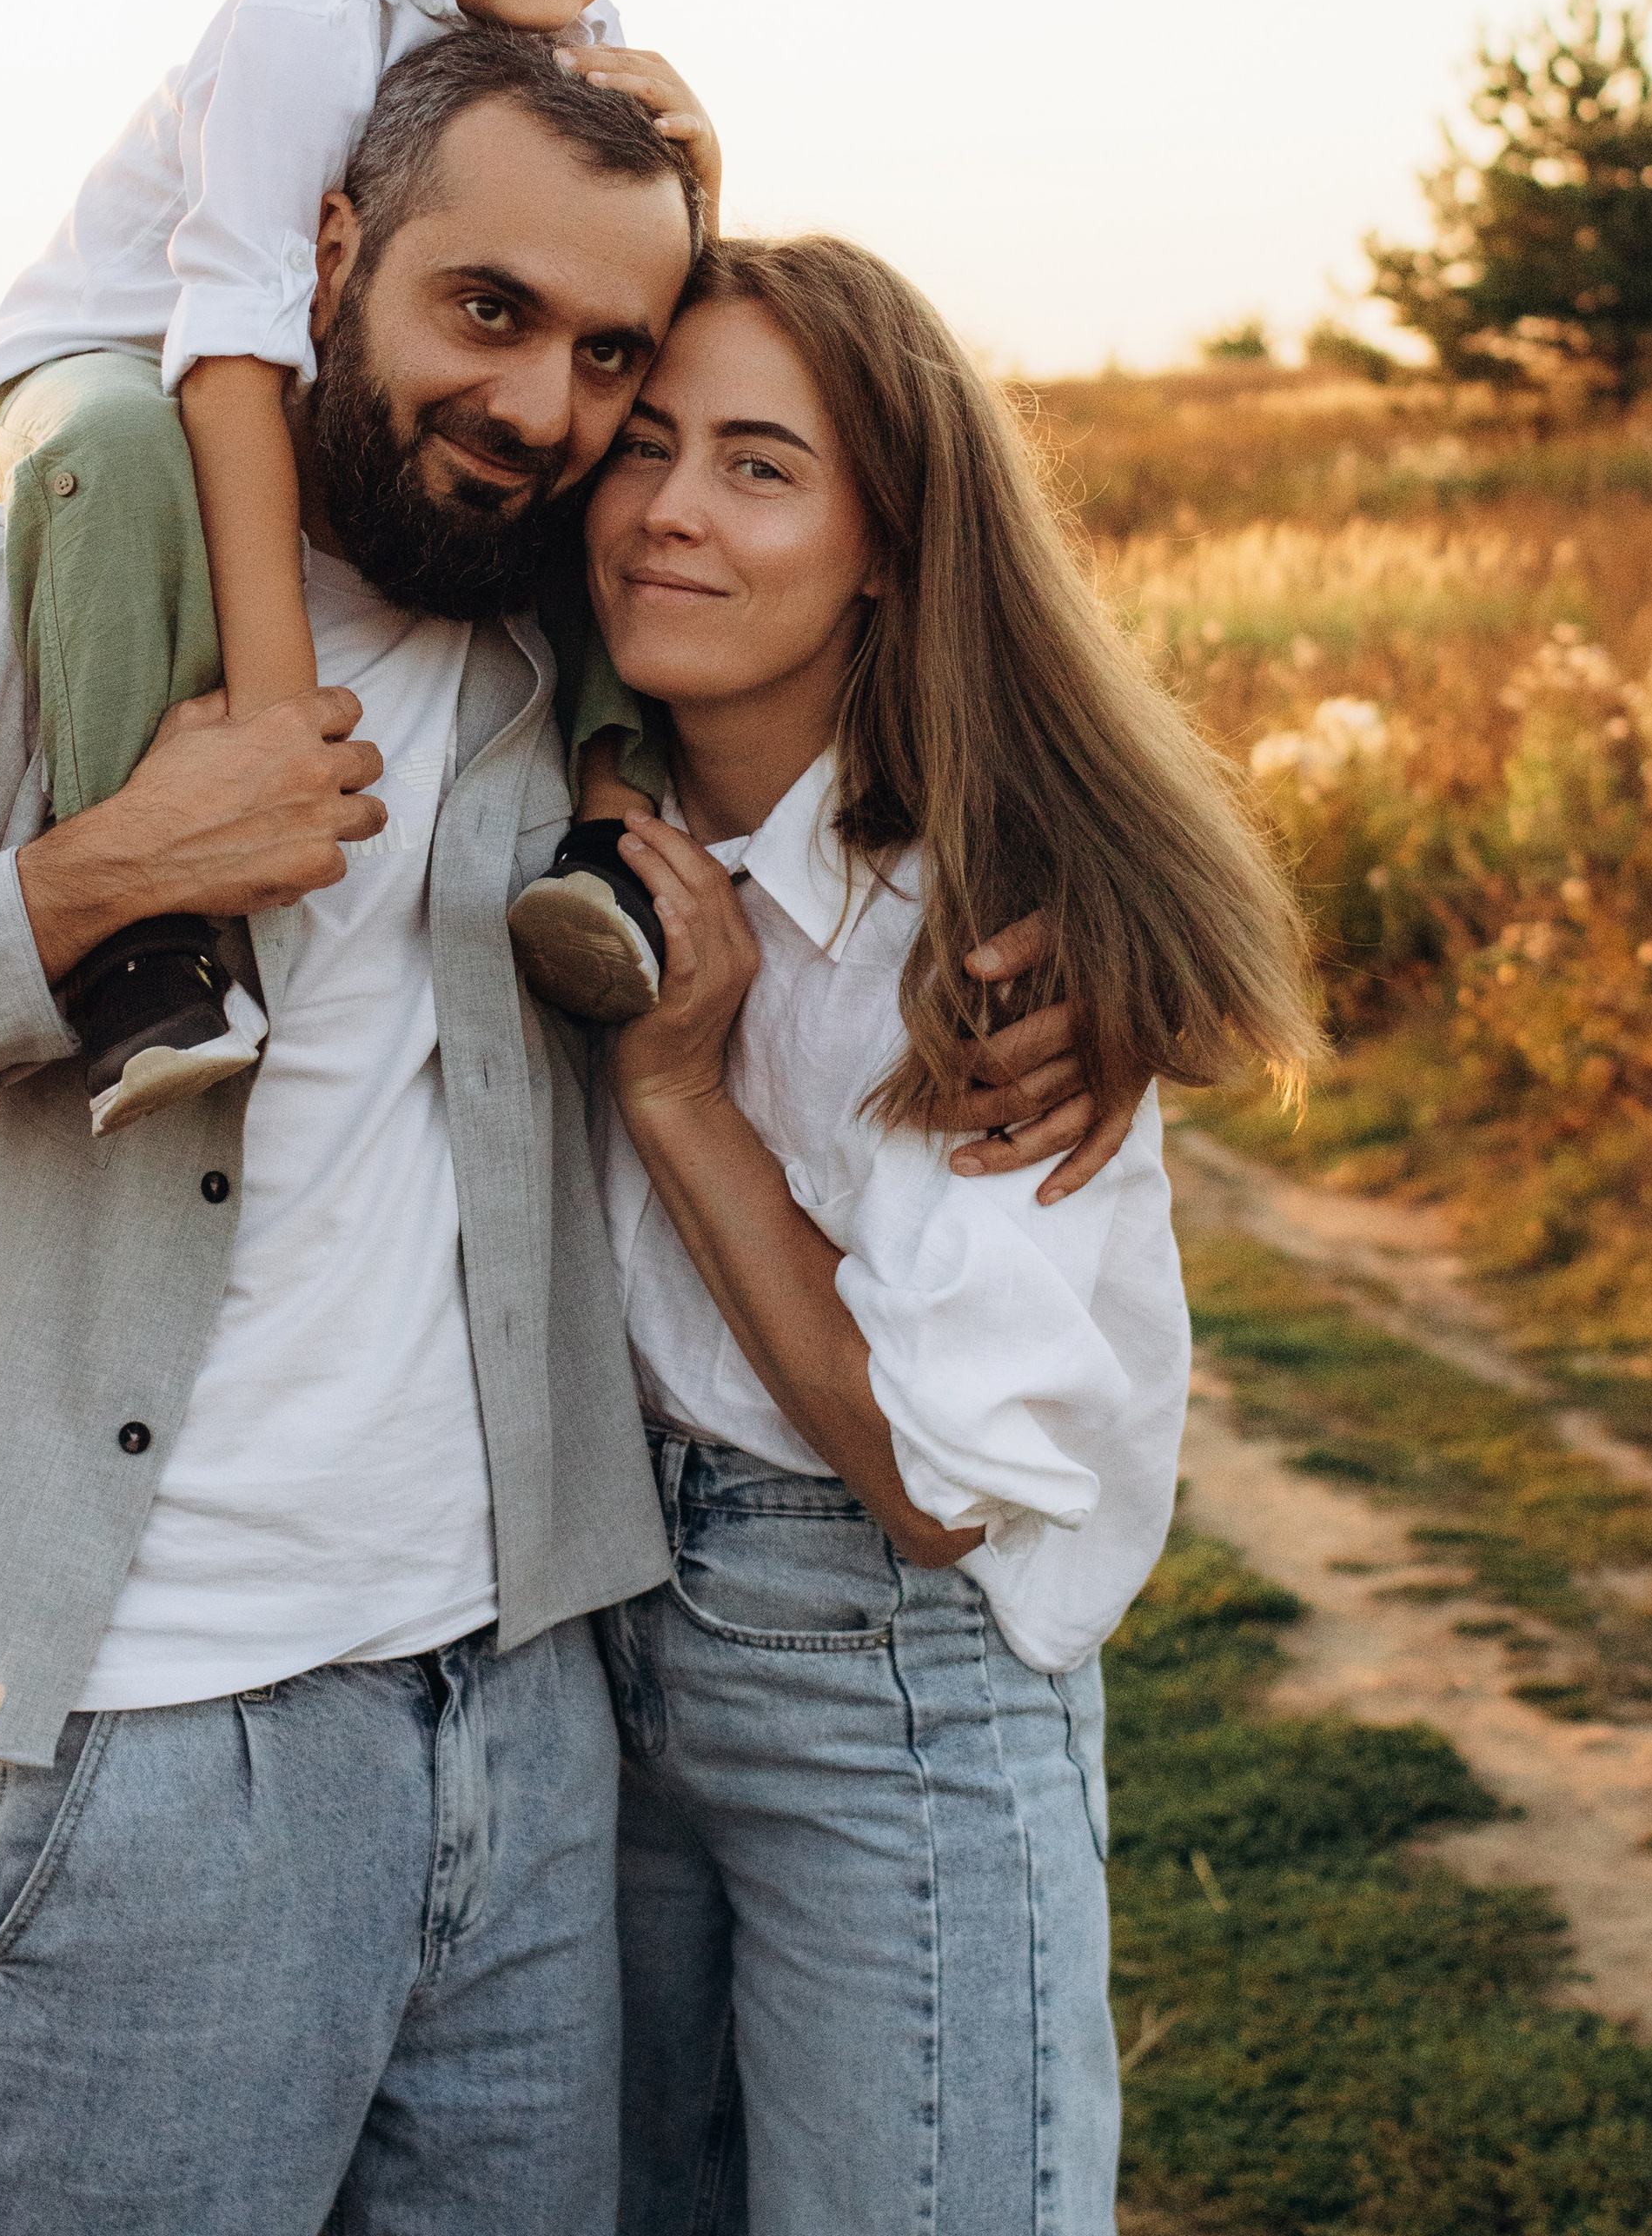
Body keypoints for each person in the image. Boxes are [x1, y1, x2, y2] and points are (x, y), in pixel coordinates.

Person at [0, 35, 1105, 2236]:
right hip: (138, 1740)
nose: (537, 405)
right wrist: (91, 883)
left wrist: (1084, 946)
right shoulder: (20, 600)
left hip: (530, 1734)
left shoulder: (552, 643)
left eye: (598, 351)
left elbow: (859, 635)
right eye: (483, 309)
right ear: (326, 255)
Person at [583, 240, 1317, 2235]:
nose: (666, 510)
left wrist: (674, 1091)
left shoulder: (979, 932)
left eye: (757, 467)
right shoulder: (578, 807)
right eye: (642, 447)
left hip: (877, 1683)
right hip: (595, 1653)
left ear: (888, 542)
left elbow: (928, 1481)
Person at [0, 0, 713, 1133]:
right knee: (125, 448)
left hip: (299, 382)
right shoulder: (303, 23)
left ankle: (610, 834)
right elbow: (229, 339)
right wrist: (280, 712)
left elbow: (630, 300)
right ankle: (145, 943)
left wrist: (707, 173)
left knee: (588, 433)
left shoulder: (597, 45)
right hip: (109, 356)